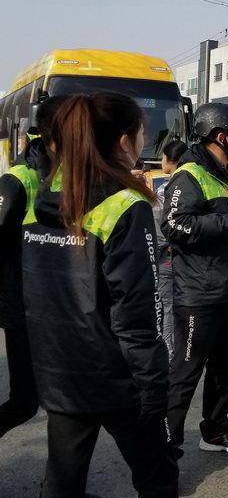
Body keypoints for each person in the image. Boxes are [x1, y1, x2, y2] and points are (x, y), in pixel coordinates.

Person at [21, 93, 178, 497]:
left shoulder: (43, 196)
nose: (145, 141)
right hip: (116, 376)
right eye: (143, 132)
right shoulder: (125, 205)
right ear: (125, 141)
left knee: (62, 481)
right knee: (156, 476)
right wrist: (153, 381)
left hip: (58, 367)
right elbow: (137, 309)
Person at [162, 103, 228, 458]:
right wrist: (227, 223)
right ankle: (164, 448)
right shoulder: (189, 175)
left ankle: (215, 431)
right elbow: (173, 225)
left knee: (225, 370)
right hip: (199, 295)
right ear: (221, 136)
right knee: (185, 374)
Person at [0, 99, 62, 438]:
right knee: (25, 402)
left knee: (65, 401)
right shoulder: (18, 181)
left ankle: (60, 487)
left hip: (63, 311)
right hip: (24, 311)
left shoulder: (71, 178)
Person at [152, 140, 188, 361]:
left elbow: (159, 229)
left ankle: (169, 355)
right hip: (186, 260)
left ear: (169, 159)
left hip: (166, 258)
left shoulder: (167, 189)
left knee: (166, 308)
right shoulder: (192, 183)